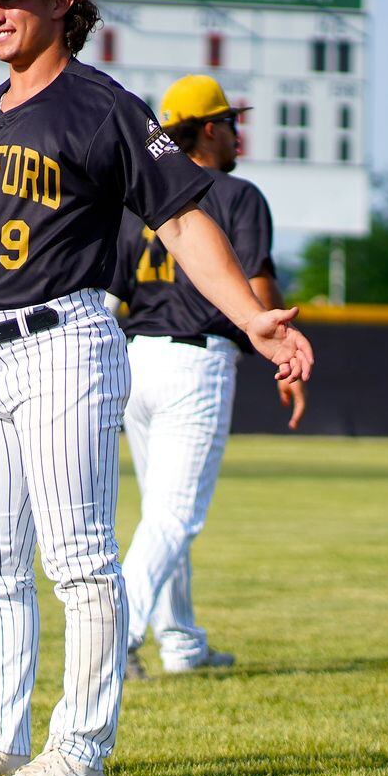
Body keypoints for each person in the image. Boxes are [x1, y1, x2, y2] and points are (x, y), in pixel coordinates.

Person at [0, 0, 314, 776]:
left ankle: (80, 749)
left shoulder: (105, 107)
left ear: (62, 2)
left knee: (78, 559)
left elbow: (181, 219)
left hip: (67, 341)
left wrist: (251, 315)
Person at [109, 75, 307, 682]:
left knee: (160, 513)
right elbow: (258, 283)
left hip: (134, 358)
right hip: (195, 362)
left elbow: (112, 292)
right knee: (175, 515)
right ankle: (115, 636)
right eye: (232, 122)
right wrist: (280, 351)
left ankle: (182, 642)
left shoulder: (136, 198)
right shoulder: (238, 195)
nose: (238, 133)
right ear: (212, 129)